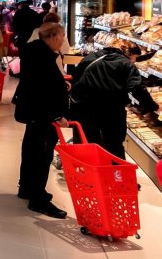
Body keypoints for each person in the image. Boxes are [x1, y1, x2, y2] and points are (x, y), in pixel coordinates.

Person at [12, 22, 69, 219]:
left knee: (30, 150)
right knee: (41, 155)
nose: (63, 41)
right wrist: (56, 115)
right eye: (62, 37)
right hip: (43, 115)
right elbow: (43, 90)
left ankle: (27, 188)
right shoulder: (43, 57)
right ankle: (37, 198)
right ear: (53, 37)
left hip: (34, 114)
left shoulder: (34, 52)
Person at [70, 39, 159, 160]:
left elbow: (76, 78)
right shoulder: (126, 64)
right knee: (114, 145)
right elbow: (137, 88)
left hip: (86, 109)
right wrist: (152, 106)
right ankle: (116, 174)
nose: (135, 61)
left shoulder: (90, 58)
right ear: (131, 54)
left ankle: (89, 173)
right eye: (135, 58)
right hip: (112, 110)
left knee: (88, 143)